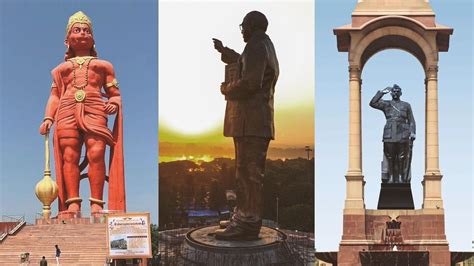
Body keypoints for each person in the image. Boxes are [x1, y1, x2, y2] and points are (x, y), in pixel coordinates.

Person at [39, 11, 125, 214]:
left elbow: (115, 94)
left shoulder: (103, 65)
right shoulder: (60, 69)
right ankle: (73, 204)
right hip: (66, 110)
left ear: (92, 38)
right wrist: (48, 117)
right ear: (67, 39)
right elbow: (55, 96)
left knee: (96, 153)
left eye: (86, 31)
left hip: (95, 107)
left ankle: (96, 204)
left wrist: (113, 102)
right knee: (69, 155)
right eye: (76, 30)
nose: (82, 34)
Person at [212, 10, 279, 240]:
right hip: (252, 122)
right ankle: (242, 216)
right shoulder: (261, 45)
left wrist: (226, 89)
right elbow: (246, 63)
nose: (242, 30)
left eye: (243, 26)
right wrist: (226, 53)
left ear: (251, 25)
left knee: (249, 174)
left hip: (252, 122)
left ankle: (247, 223)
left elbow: (250, 82)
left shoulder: (257, 45)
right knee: (244, 172)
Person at [370, 84, 416, 183]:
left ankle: (400, 176)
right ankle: (390, 176)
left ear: (401, 93)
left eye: (397, 91)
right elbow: (372, 103)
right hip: (390, 132)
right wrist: (382, 92)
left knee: (401, 156)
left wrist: (412, 132)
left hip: (402, 132)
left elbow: (411, 120)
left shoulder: (406, 105)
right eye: (394, 91)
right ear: (391, 93)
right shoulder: (386, 104)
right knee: (389, 156)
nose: (395, 93)